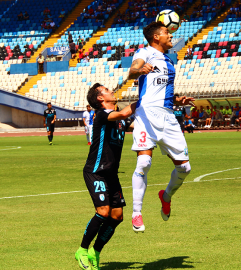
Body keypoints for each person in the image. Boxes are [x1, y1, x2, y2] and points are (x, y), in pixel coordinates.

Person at [128, 21, 194, 232]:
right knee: (144, 162)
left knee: (185, 167)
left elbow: (161, 92)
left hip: (167, 116)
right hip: (146, 115)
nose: (170, 35)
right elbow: (132, 71)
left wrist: (177, 101)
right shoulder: (144, 52)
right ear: (156, 37)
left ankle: (165, 196)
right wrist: (139, 70)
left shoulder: (169, 60)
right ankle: (136, 213)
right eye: (166, 32)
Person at [75, 83, 136, 270]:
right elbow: (125, 113)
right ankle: (82, 250)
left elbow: (136, 123)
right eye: (107, 90)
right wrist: (145, 97)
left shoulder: (120, 120)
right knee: (103, 212)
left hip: (111, 174)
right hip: (96, 172)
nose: (112, 91)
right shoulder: (101, 115)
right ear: (100, 98)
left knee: (117, 216)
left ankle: (96, 251)